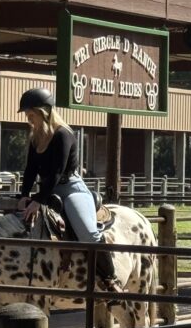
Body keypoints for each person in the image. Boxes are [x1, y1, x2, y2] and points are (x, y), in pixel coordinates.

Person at [15, 88, 122, 291]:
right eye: (27, 116)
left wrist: (38, 199)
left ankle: (110, 278)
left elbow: (57, 171)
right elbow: (30, 170)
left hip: (71, 188)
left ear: (44, 112)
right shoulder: (34, 137)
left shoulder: (64, 135)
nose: (29, 120)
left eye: (31, 115)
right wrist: (23, 196)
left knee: (87, 234)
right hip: (47, 189)